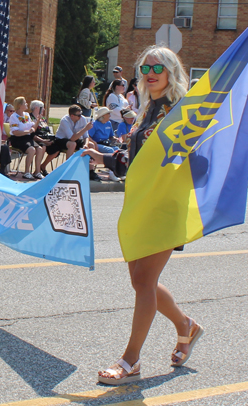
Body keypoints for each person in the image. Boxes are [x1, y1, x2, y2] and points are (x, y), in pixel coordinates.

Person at [82, 45, 203, 384]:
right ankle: (185, 326)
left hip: (165, 206)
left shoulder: (180, 111)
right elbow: (137, 161)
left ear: (171, 71)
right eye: (146, 67)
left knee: (145, 282)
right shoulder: (149, 110)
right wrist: (102, 155)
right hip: (140, 203)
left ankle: (130, 361)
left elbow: (192, 157)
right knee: (139, 281)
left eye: (158, 67)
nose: (150, 73)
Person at [40, 105, 99, 180]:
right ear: (72, 116)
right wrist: (85, 128)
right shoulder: (65, 120)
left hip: (75, 138)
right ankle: (68, 169)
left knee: (91, 145)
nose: (81, 117)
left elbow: (86, 136)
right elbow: (72, 138)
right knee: (72, 144)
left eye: (81, 114)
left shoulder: (83, 119)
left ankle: (91, 171)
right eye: (79, 115)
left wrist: (86, 144)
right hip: (61, 139)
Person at [9, 96, 45, 180]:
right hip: (17, 138)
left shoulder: (26, 115)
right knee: (32, 150)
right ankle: (27, 172)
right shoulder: (13, 117)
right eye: (25, 103)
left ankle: (37, 171)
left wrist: (38, 120)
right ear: (20, 105)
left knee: (40, 149)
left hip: (27, 138)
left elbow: (33, 128)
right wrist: (28, 131)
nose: (27, 104)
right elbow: (15, 132)